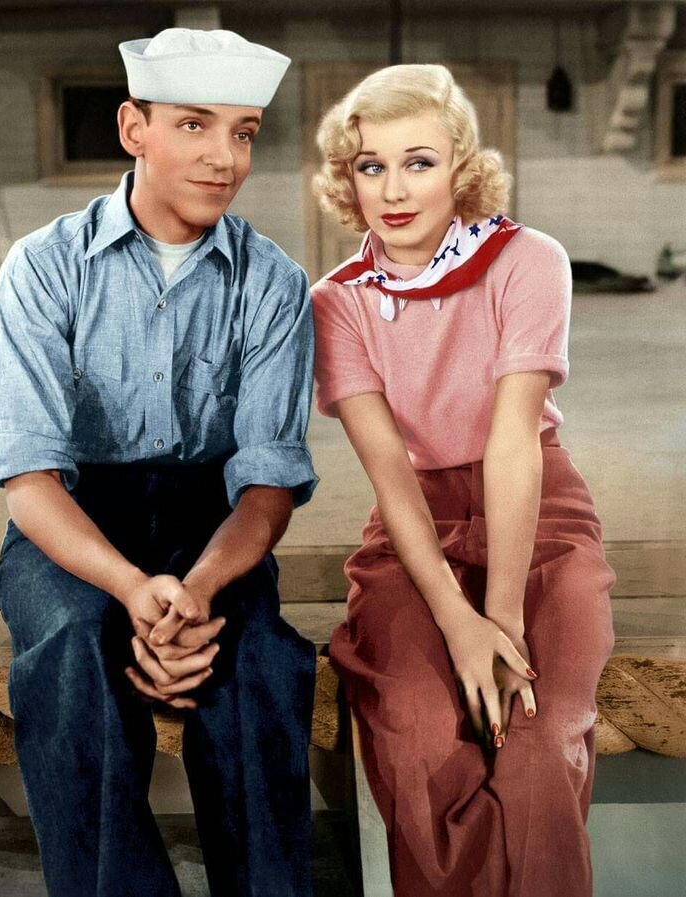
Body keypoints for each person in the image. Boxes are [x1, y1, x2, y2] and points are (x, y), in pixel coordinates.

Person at [0, 27, 318, 897]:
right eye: (195, 125)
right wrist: (132, 589)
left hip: (217, 530)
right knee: (71, 646)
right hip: (73, 523)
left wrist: (198, 590)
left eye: (243, 132)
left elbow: (268, 484)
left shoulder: (273, 283)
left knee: (261, 659)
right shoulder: (45, 268)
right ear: (135, 128)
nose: (223, 157)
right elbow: (30, 482)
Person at [310, 64, 616, 897]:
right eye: (371, 165)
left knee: (538, 736)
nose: (394, 189)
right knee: (416, 733)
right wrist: (457, 619)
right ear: (347, 179)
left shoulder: (529, 260)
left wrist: (502, 623)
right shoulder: (336, 302)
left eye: (419, 161)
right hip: (414, 528)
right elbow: (390, 474)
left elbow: (514, 440)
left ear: (461, 168)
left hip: (537, 509)